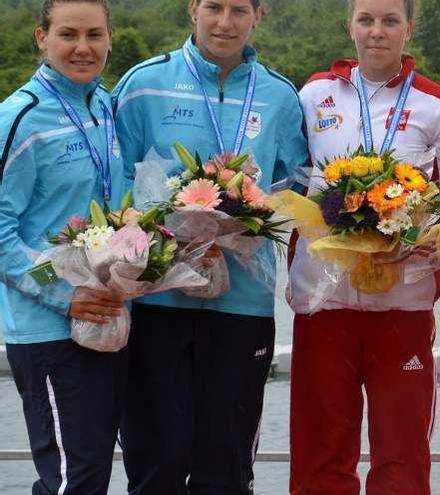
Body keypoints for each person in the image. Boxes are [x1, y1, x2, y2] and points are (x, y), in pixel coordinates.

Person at [110, 0, 309, 493]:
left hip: (242, 305)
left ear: (259, 14)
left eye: (239, 9)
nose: (225, 22)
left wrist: (249, 219)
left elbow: (298, 187)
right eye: (213, 6)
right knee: (157, 459)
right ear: (192, 8)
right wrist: (162, 235)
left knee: (227, 466)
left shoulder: (281, 97)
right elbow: (113, 189)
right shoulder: (142, 85)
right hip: (156, 301)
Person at [287, 0, 440, 493]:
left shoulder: (439, 104)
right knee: (321, 455)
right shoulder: (313, 94)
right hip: (323, 301)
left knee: (401, 459)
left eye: (389, 21)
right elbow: (291, 183)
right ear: (350, 26)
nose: (377, 32)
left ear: (409, 27)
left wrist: (411, 237)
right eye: (366, 20)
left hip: (402, 302)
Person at [0, 0, 127, 493]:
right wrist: (63, 293)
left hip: (106, 321)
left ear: (110, 39)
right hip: (49, 332)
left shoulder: (103, 105)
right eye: (68, 34)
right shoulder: (19, 117)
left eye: (94, 35)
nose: (82, 47)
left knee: (92, 472)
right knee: (72, 480)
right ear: (41, 38)